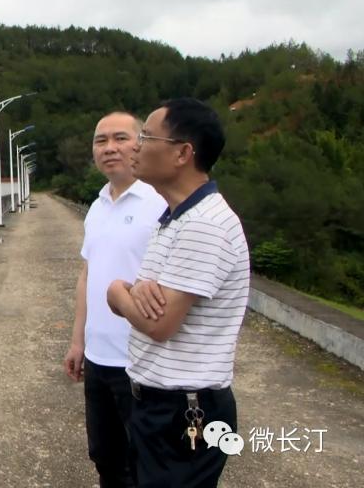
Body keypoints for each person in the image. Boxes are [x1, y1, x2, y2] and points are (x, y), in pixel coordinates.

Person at [106, 99, 250, 487]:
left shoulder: (205, 224)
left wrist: (117, 292)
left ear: (183, 153)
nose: (134, 147)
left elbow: (160, 323)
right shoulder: (174, 218)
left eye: (146, 137)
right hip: (157, 406)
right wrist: (130, 295)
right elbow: (146, 300)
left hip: (185, 412)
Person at [64, 111, 166, 487]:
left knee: (145, 464)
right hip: (98, 359)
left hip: (142, 363)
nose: (109, 148)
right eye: (100, 140)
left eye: (120, 138)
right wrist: (78, 341)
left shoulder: (160, 204)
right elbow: (88, 274)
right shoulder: (98, 207)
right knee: (106, 458)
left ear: (142, 142)